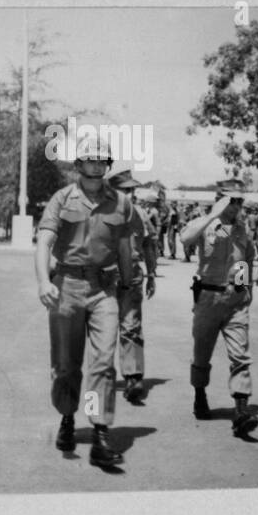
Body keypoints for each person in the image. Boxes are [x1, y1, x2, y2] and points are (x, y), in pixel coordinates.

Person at [34, 134, 133, 468]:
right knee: (66, 364)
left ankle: (100, 432)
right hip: (67, 286)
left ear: (108, 165)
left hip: (104, 288)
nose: (95, 166)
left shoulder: (121, 202)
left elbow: (123, 247)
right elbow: (44, 242)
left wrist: (131, 282)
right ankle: (66, 418)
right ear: (78, 165)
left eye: (101, 161)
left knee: (104, 362)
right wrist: (43, 281)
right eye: (89, 160)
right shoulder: (61, 199)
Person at [180, 178, 258, 438]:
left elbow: (247, 260)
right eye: (232, 200)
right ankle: (200, 395)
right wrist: (213, 214)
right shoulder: (206, 224)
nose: (237, 206)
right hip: (208, 299)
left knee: (240, 356)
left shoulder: (241, 229)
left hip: (235, 301)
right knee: (201, 355)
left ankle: (241, 411)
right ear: (220, 198)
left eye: (240, 201)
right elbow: (185, 238)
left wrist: (247, 292)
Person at [106, 167, 157, 404]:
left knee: (131, 327)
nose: (131, 194)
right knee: (103, 329)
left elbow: (148, 245)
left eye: (132, 190)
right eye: (125, 190)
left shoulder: (140, 215)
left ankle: (133, 377)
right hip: (104, 277)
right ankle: (103, 377)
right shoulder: (100, 213)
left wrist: (152, 273)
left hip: (133, 275)